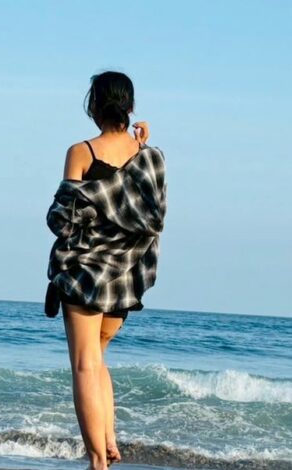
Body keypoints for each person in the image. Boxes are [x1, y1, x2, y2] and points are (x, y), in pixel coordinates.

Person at [44, 70, 167, 470]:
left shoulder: (81, 152)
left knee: (83, 364)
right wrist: (141, 144)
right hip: (124, 278)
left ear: (94, 105)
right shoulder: (150, 157)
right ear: (130, 107)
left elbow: (64, 218)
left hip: (85, 276)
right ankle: (109, 440)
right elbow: (150, 216)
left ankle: (97, 461)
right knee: (97, 358)